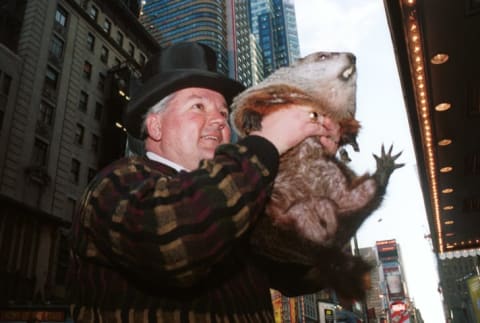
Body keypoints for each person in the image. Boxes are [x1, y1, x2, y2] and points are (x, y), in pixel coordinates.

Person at [67, 42, 341, 322]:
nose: (219, 121)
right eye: (198, 106)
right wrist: (267, 142)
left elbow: (303, 275)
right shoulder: (115, 185)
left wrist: (313, 173)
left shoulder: (242, 199)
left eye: (223, 113)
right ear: (155, 126)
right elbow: (174, 241)